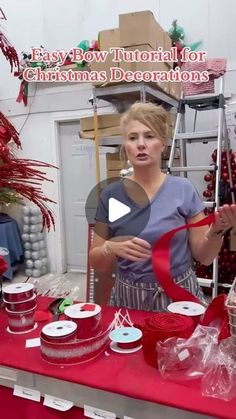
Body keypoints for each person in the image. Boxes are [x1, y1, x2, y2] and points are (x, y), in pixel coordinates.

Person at [89, 102, 236, 311]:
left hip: (179, 297)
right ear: (125, 145)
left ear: (163, 143)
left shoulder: (183, 189)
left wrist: (216, 231)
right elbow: (97, 262)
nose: (141, 144)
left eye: (149, 136)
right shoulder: (111, 196)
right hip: (130, 300)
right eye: (133, 137)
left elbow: (204, 257)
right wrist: (109, 248)